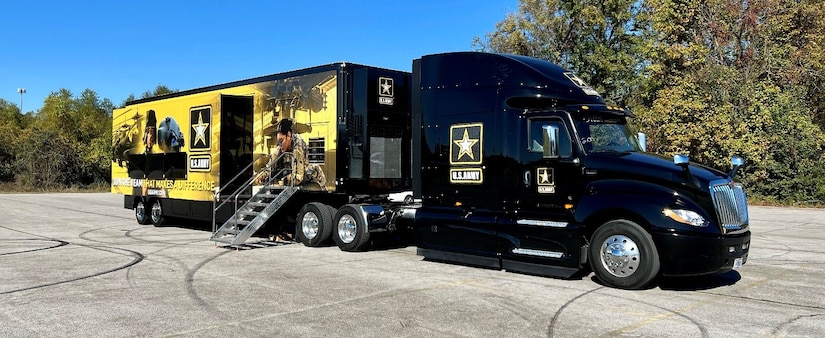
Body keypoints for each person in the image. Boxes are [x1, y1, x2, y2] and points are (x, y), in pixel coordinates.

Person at [257, 118, 326, 189]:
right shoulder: (280, 148)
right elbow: (270, 166)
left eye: (281, 140)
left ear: (289, 136)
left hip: (315, 183)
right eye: (278, 141)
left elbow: (298, 178)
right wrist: (262, 176)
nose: (280, 145)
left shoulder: (298, 148)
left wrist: (280, 182)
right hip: (301, 183)